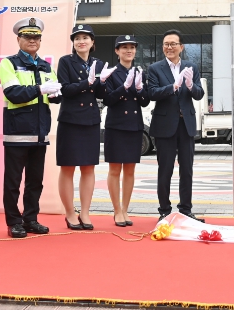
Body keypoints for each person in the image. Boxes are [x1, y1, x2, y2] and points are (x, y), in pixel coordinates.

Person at [0, 17, 61, 238]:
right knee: (13, 181)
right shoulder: (9, 63)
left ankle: (31, 218)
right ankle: (14, 221)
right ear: (19, 39)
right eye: (27, 36)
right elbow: (13, 93)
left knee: (35, 181)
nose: (32, 40)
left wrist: (56, 94)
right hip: (18, 132)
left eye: (36, 37)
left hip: (40, 132)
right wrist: (41, 88)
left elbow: (52, 95)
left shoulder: (45, 65)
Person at [147, 29, 204, 222]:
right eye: (166, 44)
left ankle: (186, 209)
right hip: (164, 125)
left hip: (185, 124)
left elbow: (199, 94)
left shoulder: (191, 67)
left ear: (181, 47)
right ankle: (164, 210)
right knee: (165, 169)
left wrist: (189, 85)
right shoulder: (155, 68)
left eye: (173, 44)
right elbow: (152, 93)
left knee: (186, 169)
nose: (169, 47)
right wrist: (173, 87)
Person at [56, 24, 107, 231]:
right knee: (67, 167)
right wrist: (88, 82)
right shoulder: (66, 61)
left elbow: (102, 93)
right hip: (70, 119)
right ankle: (70, 212)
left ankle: (85, 212)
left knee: (88, 167)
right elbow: (65, 89)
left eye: (85, 37)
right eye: (77, 38)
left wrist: (103, 81)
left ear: (92, 42)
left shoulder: (99, 63)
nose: (81, 41)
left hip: (91, 119)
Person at [103, 35, 150, 227]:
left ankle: (125, 209)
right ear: (117, 51)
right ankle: (116, 210)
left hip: (134, 125)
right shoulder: (111, 72)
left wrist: (139, 89)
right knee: (115, 169)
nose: (128, 51)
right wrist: (124, 87)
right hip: (116, 125)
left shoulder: (140, 72)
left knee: (130, 170)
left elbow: (145, 101)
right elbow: (108, 100)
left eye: (132, 47)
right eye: (124, 48)